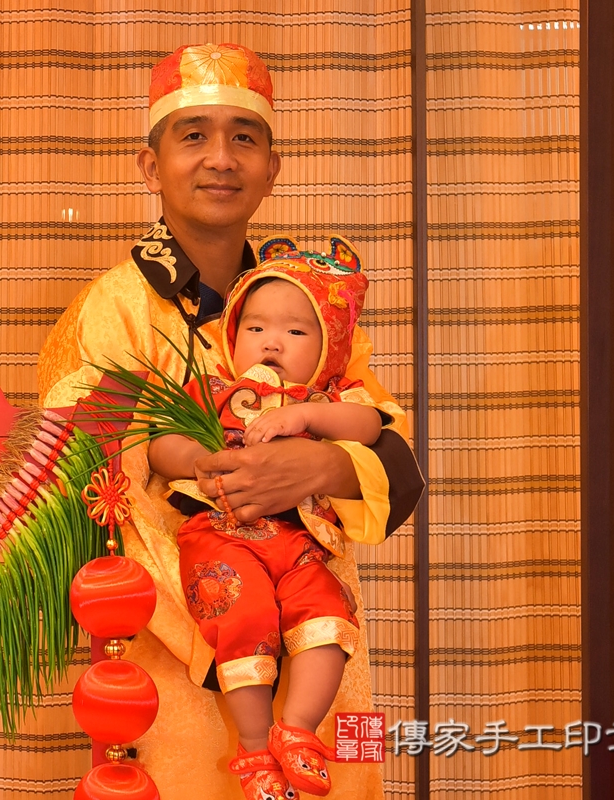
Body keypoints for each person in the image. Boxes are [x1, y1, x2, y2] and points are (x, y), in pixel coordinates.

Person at [38, 43, 423, 800]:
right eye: (193, 136)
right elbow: (70, 460)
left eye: (243, 137)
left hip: (319, 639)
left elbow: (393, 453)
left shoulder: (311, 306)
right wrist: (187, 461)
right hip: (173, 646)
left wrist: (324, 467)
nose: (220, 158)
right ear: (150, 166)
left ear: (272, 167)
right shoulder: (109, 310)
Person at [147, 242, 403, 799]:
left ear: (329, 352)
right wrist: (195, 462)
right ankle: (256, 748)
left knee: (329, 616)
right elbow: (160, 441)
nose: (271, 342)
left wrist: (308, 413)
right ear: (231, 340)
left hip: (304, 540)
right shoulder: (214, 390)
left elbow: (368, 427)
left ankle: (300, 733)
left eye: (295, 332)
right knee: (244, 614)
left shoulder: (331, 396)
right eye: (255, 328)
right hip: (223, 537)